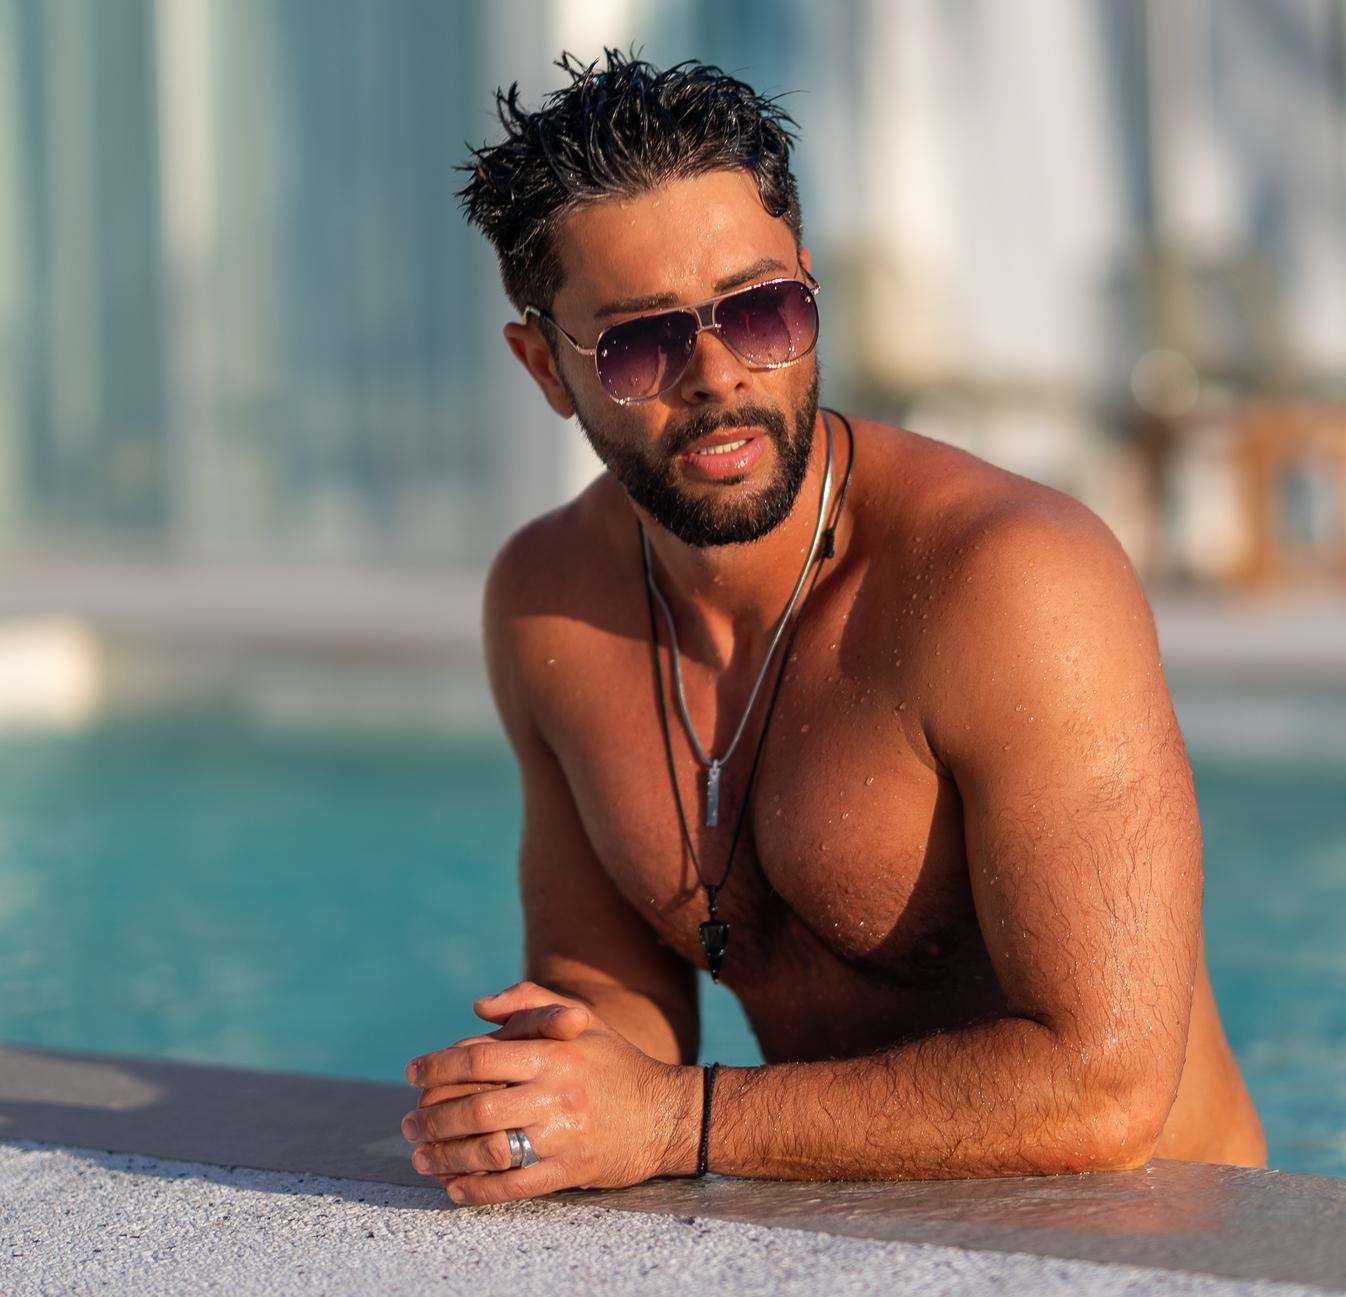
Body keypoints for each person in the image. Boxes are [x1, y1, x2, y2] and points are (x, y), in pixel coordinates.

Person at [399, 52, 1265, 1205]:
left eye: (762, 311)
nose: (718, 376)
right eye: (641, 343)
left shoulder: (1011, 581)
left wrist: (672, 1119)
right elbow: (602, 1001)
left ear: (811, 295)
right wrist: (534, 1095)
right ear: (546, 368)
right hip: (853, 1234)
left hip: (1151, 1249)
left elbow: (1103, 1092)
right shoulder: (548, 599)